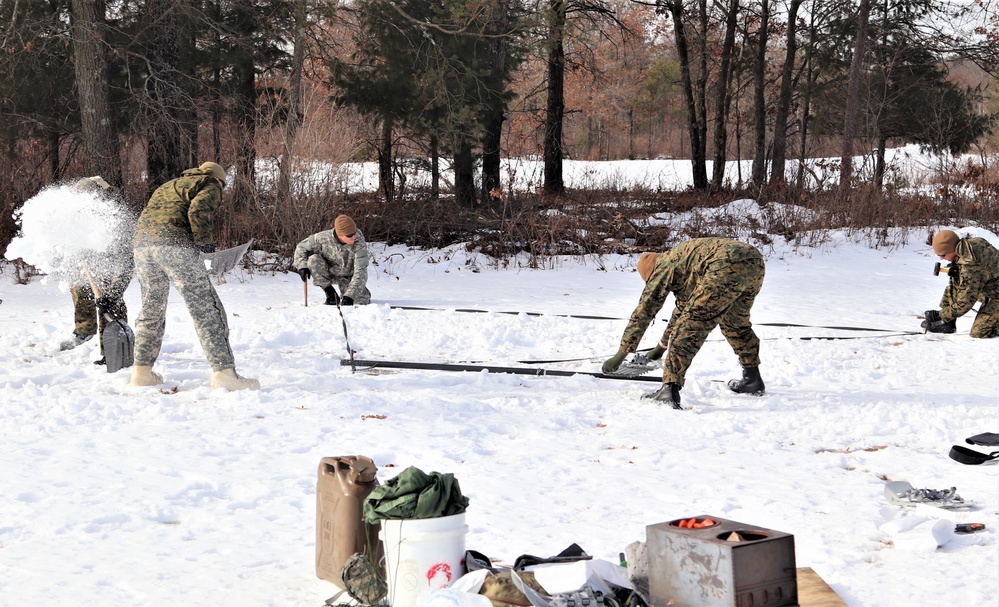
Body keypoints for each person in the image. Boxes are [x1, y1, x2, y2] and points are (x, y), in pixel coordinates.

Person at [129, 162, 259, 390]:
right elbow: (198, 210)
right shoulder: (210, 183)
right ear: (219, 180)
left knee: (151, 310)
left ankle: (141, 373)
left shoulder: (169, 186)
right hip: (175, 248)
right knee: (206, 309)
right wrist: (205, 246)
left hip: (142, 248)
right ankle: (225, 374)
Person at [603, 238, 766, 409]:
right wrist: (659, 349)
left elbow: (644, 311)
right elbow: (680, 310)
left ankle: (669, 389)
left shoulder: (662, 267)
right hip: (754, 260)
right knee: (735, 322)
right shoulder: (683, 263)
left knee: (691, 325)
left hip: (724, 262)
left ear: (650, 274)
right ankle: (752, 378)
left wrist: (621, 354)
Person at [59, 176, 135, 366]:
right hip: (87, 257)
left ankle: (112, 349)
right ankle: (84, 329)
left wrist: (114, 293)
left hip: (112, 262)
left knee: (110, 301)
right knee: (78, 285)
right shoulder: (76, 213)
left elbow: (125, 262)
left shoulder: (116, 218)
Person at [921, 229, 999, 338]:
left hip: (995, 296)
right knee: (956, 278)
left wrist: (939, 315)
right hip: (991, 287)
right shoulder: (974, 242)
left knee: (980, 332)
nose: (941, 258)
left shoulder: (971, 267)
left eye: (943, 255)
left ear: (951, 249)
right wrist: (958, 268)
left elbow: (964, 303)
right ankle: (948, 323)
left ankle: (945, 318)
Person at [293, 214, 371, 306]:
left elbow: (361, 271)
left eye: (354, 233)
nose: (354, 237)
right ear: (339, 234)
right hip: (329, 272)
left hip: (348, 275)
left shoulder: (359, 243)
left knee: (361, 300)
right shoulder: (322, 238)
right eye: (349, 235)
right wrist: (302, 266)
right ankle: (330, 293)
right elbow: (301, 247)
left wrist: (350, 296)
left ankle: (347, 293)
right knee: (313, 259)